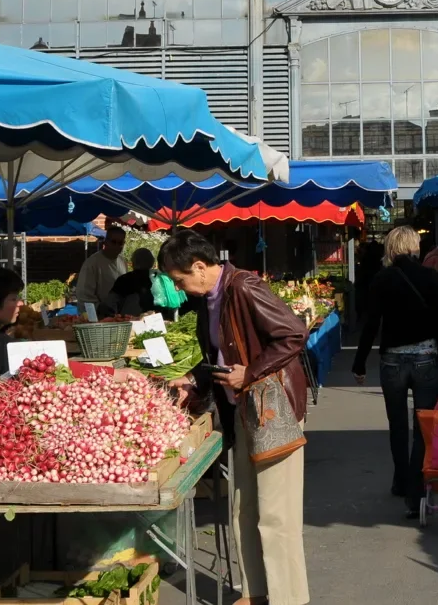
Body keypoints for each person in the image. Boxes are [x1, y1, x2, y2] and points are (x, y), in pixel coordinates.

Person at [161, 231, 309, 605]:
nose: (179, 289)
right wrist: (195, 377)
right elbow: (221, 353)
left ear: (199, 266)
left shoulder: (244, 286)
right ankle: (256, 591)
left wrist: (252, 371)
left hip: (274, 413)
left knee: (277, 515)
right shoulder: (210, 298)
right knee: (243, 507)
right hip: (242, 411)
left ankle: (287, 598)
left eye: (180, 280)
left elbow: (293, 334)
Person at [352, 225, 438, 517]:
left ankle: (401, 481)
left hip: (391, 361)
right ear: (415, 246)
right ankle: (417, 488)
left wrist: (359, 362)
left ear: (391, 247)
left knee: (398, 425)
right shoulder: (429, 277)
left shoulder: (381, 279)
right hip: (426, 359)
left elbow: (371, 324)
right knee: (424, 425)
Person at [71, 224, 130, 316]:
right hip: (96, 317)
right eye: (113, 242)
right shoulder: (92, 263)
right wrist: (101, 309)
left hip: (117, 315)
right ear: (105, 242)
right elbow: (84, 294)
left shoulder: (122, 262)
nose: (117, 246)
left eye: (120, 243)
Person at [108, 247, 157, 318]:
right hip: (155, 320)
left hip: (129, 321)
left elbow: (110, 303)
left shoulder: (124, 280)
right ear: (151, 263)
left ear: (133, 262)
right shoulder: (156, 278)